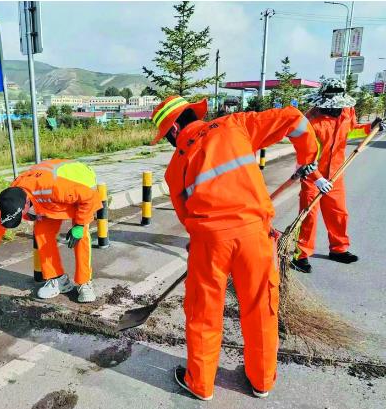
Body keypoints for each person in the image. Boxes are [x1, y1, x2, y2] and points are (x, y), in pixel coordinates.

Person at [151, 95, 325, 400]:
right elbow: (295, 119)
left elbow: (186, 218)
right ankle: (261, 381)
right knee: (260, 308)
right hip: (254, 237)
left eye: (167, 135)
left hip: (209, 242)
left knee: (203, 312)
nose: (170, 142)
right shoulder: (236, 125)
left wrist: (203, 242)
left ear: (176, 128)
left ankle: (200, 384)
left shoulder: (175, 167)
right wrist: (307, 160)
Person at [0, 159, 102, 303]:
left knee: (80, 237)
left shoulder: (54, 188)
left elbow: (89, 197)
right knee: (42, 232)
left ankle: (85, 282)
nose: (22, 218)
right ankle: (59, 280)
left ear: (27, 203)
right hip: (48, 200)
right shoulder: (12, 198)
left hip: (80, 187)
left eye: (21, 215)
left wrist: (79, 225)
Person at [291, 78, 383, 274]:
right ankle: (301, 255)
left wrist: (371, 128)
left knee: (338, 213)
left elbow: (350, 132)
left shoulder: (347, 111)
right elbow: (304, 156)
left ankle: (339, 249)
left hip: (336, 173)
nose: (334, 110)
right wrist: (317, 178)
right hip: (312, 176)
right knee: (309, 216)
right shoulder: (310, 121)